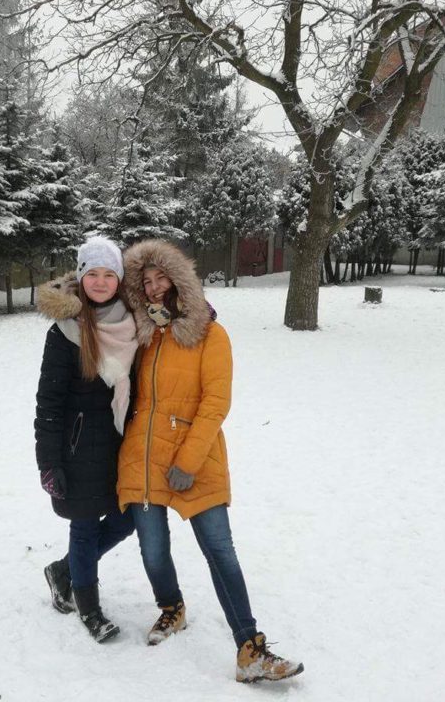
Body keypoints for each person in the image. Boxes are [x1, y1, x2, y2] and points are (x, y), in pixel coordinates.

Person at [116, 239, 303, 683]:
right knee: (153, 549)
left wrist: (189, 460)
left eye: (162, 277)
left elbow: (216, 402)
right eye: (146, 281)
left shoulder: (210, 335)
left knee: (220, 551)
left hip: (194, 459)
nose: (155, 287)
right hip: (142, 457)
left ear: (180, 280)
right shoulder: (141, 336)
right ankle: (172, 608)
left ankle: (249, 648)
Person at [35, 237, 138, 642]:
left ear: (119, 279)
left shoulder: (134, 323)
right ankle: (89, 607)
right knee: (84, 527)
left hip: (120, 444)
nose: (99, 281)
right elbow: (49, 402)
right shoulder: (64, 332)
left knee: (129, 519)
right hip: (77, 448)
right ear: (80, 276)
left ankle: (64, 570)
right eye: (91, 273)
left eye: (108, 274)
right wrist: (49, 462)